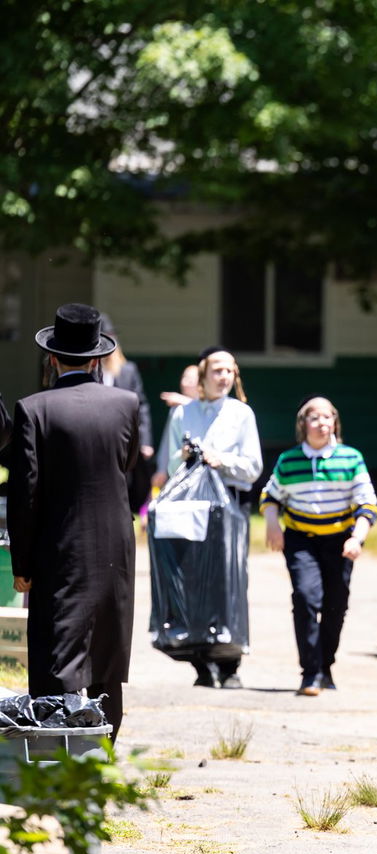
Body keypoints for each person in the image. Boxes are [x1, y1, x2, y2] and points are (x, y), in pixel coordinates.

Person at [7, 304, 140, 739]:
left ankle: (57, 757)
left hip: (58, 550)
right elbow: (128, 471)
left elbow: (26, 494)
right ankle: (104, 751)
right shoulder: (126, 404)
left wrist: (22, 563)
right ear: (98, 357)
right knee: (106, 653)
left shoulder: (34, 409)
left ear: (52, 358)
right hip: (115, 549)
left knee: (56, 651)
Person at [156, 346, 263, 688]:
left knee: (230, 580)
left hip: (229, 507)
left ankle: (230, 663)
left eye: (230, 371)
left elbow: (253, 468)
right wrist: (184, 456)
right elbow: (166, 466)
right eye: (217, 370)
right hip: (191, 507)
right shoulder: (183, 414)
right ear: (202, 376)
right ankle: (201, 662)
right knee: (194, 580)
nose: (224, 377)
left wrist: (223, 460)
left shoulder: (241, 414)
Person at [260, 397, 377, 695]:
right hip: (301, 541)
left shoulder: (350, 458)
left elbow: (367, 502)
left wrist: (357, 537)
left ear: (335, 423)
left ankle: (326, 666)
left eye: (327, 417)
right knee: (304, 597)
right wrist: (273, 524)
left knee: (336, 605)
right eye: (314, 417)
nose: (321, 423)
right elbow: (271, 496)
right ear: (303, 425)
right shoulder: (289, 460)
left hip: (340, 541)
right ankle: (310, 673)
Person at [96, 315, 155, 515]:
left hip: (123, 435)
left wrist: (145, 440)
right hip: (96, 433)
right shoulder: (91, 369)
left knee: (127, 476)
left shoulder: (127, 370)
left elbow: (142, 406)